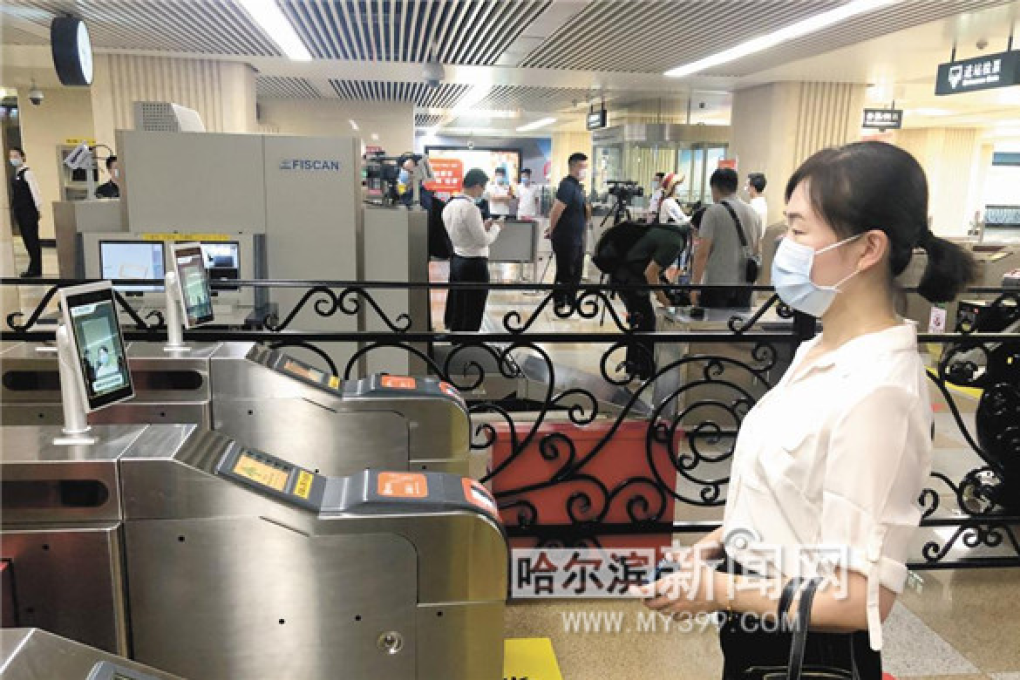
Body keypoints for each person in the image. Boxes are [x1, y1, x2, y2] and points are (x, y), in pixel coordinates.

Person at [634, 141, 976, 680]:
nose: (783, 249)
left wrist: (719, 590)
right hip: (761, 619)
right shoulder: (820, 351)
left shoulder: (877, 392)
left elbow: (860, 600)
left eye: (797, 230)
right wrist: (715, 547)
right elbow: (792, 493)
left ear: (867, 250)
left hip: (808, 651)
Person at [613, 220, 689, 380]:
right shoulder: (675, 242)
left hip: (623, 277)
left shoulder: (671, 231)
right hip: (629, 280)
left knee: (639, 321)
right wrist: (664, 300)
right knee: (647, 323)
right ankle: (643, 371)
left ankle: (633, 366)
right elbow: (650, 273)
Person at [689, 168, 761, 308]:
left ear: (714, 187)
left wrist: (695, 286)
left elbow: (702, 253)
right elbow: (757, 250)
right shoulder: (753, 213)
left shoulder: (713, 212)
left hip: (717, 285)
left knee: (714, 327)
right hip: (744, 286)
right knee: (737, 327)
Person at [442, 168, 502, 331]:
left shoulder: (449, 206)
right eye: (483, 188)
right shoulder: (471, 208)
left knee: (459, 303)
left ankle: (456, 336)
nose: (483, 191)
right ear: (476, 186)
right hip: (474, 264)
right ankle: (468, 342)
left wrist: (483, 227)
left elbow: (463, 233)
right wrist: (496, 228)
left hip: (458, 260)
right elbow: (483, 240)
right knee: (474, 306)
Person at [546, 152, 590, 310]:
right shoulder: (567, 186)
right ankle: (559, 301)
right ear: (575, 167)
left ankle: (572, 300)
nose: (585, 170)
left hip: (577, 238)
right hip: (566, 238)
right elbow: (556, 210)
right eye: (583, 166)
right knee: (565, 271)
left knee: (576, 272)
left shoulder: (578, 187)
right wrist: (551, 230)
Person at [8, 147, 43, 278]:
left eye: (16, 156)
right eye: (11, 156)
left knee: (32, 239)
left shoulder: (27, 173)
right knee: (26, 239)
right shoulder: (16, 174)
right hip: (20, 211)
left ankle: (35, 267)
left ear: (23, 157)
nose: (13, 159)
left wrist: (38, 208)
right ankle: (33, 265)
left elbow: (35, 192)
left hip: (29, 211)